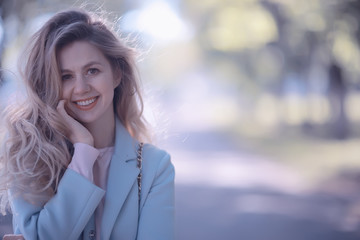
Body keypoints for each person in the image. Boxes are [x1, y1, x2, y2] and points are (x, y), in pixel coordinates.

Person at [0, 8, 175, 240]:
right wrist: (83, 150)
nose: (81, 88)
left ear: (117, 74)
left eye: (92, 71)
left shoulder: (154, 167)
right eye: (66, 77)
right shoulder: (28, 155)